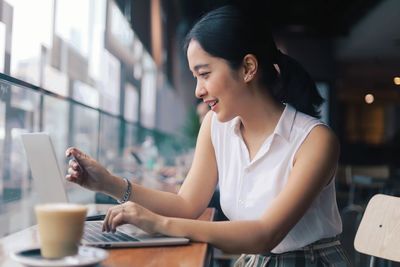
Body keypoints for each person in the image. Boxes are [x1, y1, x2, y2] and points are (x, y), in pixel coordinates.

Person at [66, 5, 350, 266]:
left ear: (248, 68)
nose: (198, 91)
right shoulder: (216, 127)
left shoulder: (315, 141)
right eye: (194, 76)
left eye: (204, 74)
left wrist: (158, 224)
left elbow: (265, 234)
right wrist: (109, 183)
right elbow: (186, 204)